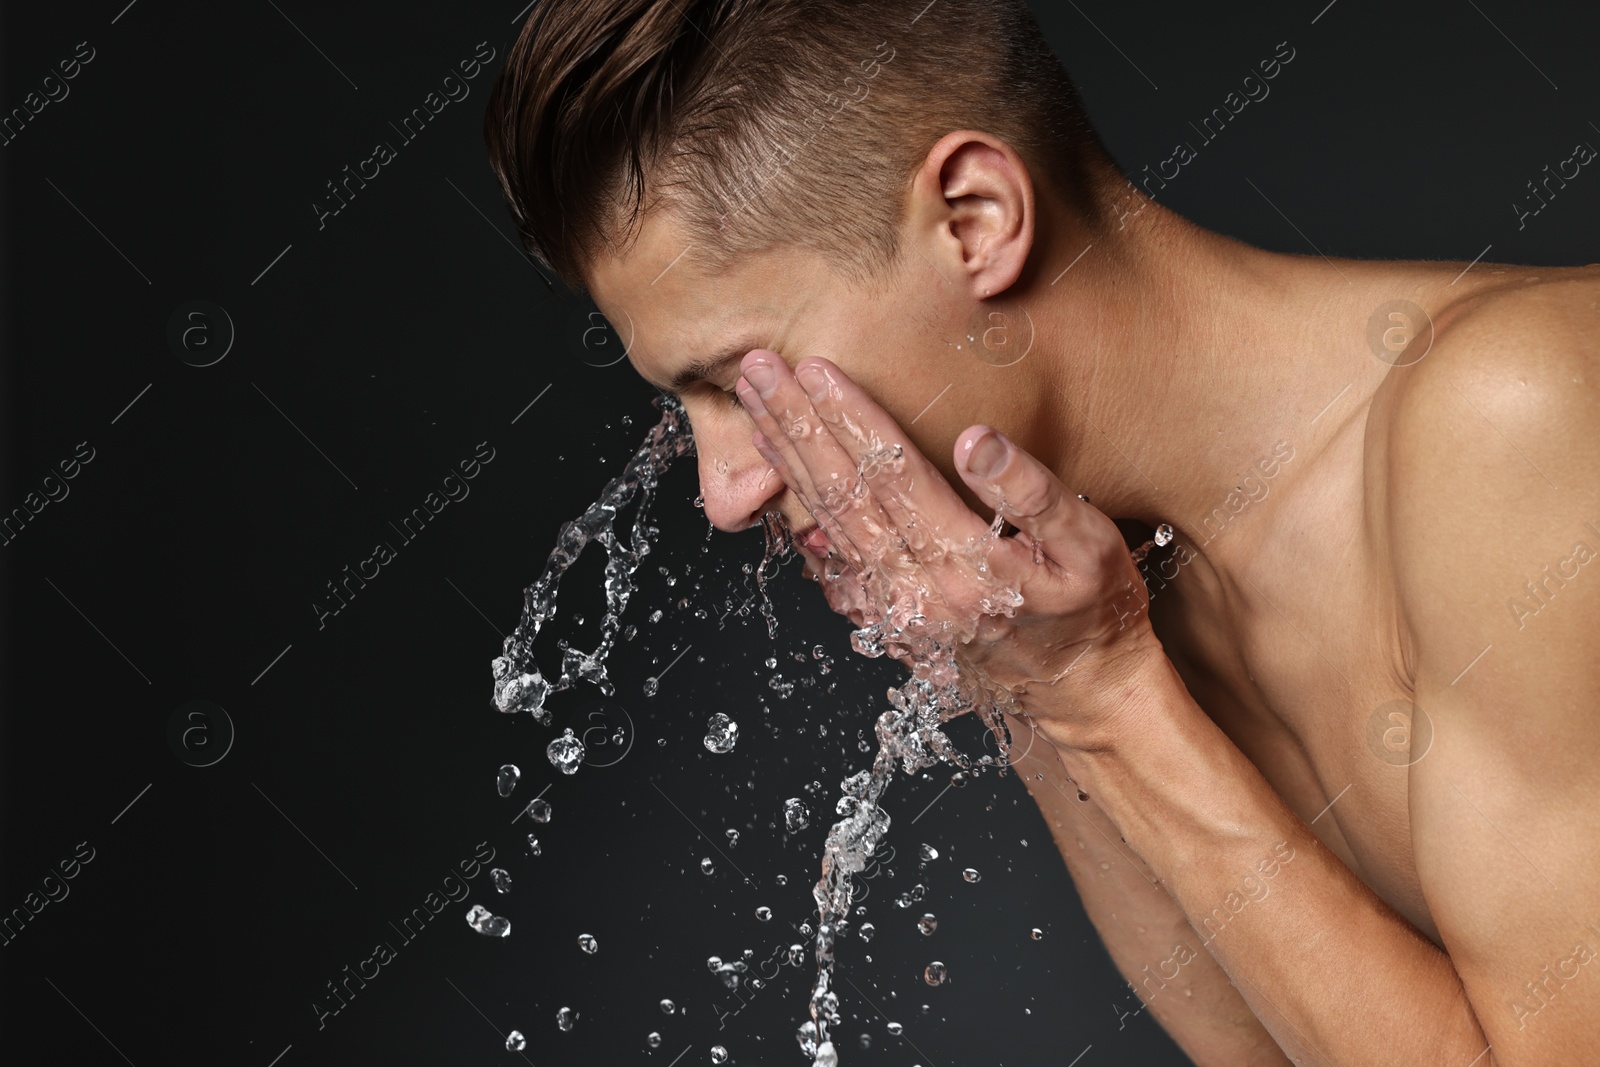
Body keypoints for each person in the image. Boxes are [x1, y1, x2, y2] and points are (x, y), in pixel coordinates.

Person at [482, 1, 1600, 1062]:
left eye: (740, 377)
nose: (721, 489)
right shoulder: (1099, 587)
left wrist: (1107, 704)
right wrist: (1049, 692)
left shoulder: (1512, 417)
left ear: (976, 220)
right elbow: (1276, 1045)